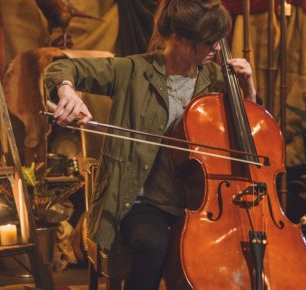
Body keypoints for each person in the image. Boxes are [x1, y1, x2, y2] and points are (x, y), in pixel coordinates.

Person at [44, 0, 257, 289]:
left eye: (218, 41)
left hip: (200, 201)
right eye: (208, 43)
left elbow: (250, 137)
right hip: (143, 202)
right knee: (154, 242)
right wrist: (67, 91)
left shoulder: (216, 80)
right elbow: (62, 67)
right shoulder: (132, 71)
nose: (217, 49)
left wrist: (248, 88)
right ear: (179, 39)